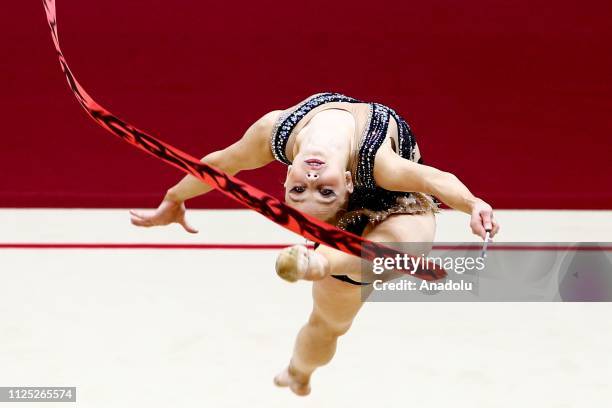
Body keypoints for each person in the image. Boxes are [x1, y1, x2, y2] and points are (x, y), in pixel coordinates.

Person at [129, 92, 499, 395]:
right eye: (312, 189)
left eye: (310, 188)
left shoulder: (287, 136)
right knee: (328, 326)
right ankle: (299, 371)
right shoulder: (357, 157)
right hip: (339, 234)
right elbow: (221, 166)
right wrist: (174, 197)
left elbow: (434, 179)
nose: (310, 176)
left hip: (397, 205)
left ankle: (316, 264)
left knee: (403, 250)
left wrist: (472, 203)